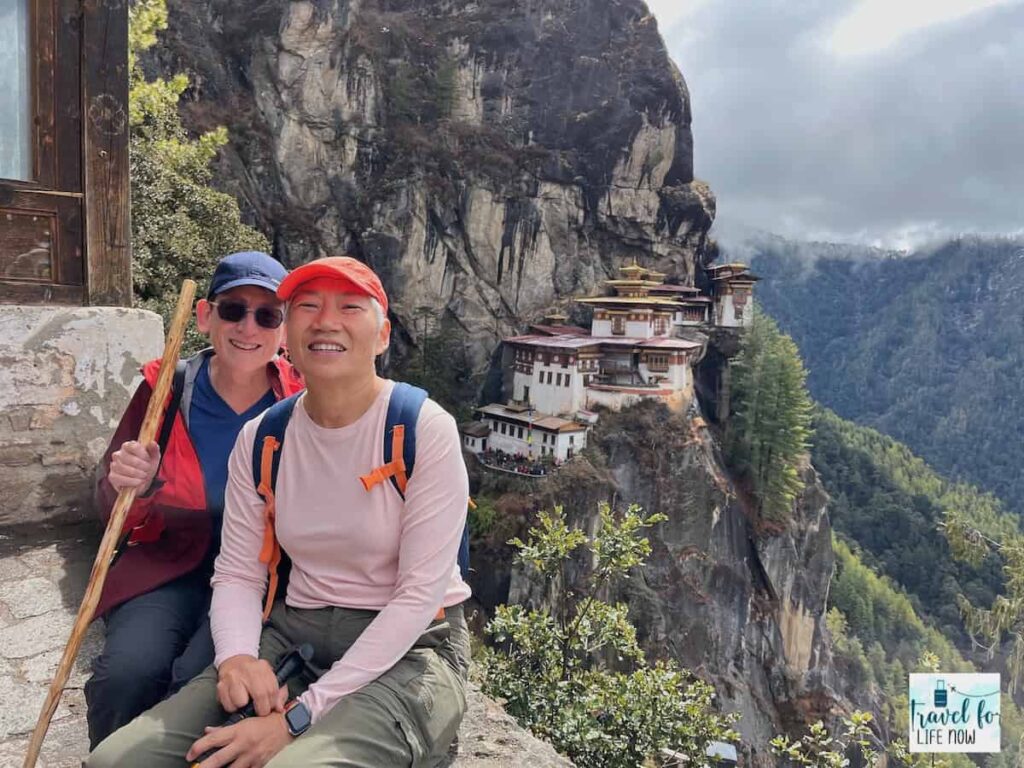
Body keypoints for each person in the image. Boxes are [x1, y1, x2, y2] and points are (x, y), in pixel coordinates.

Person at [86, 256, 471, 768]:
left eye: (349, 307)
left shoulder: (420, 429)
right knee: (120, 759)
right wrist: (239, 659)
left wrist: (299, 716)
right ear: (290, 333)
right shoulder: (265, 436)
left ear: (382, 336)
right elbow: (240, 570)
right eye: (308, 306)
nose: (326, 321)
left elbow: (420, 594)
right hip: (293, 631)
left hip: (412, 647)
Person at [85, 251, 304, 748]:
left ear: (285, 332)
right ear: (206, 316)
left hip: (257, 577)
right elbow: (110, 504)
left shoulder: (298, 404)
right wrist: (130, 485)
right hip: (168, 566)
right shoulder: (165, 387)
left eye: (267, 315)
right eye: (233, 310)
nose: (249, 327)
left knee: (195, 686)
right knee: (125, 674)